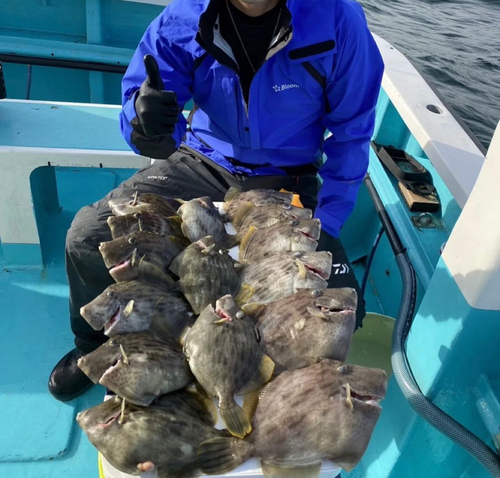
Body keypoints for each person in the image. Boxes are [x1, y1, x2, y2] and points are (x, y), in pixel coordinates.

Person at [48, 0, 384, 402]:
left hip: (287, 177)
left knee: (337, 302)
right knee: (88, 236)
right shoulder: (183, 17)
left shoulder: (338, 19)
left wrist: (328, 222)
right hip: (201, 161)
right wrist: (144, 124)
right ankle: (91, 347)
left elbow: (352, 135)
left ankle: (265, 379)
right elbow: (145, 105)